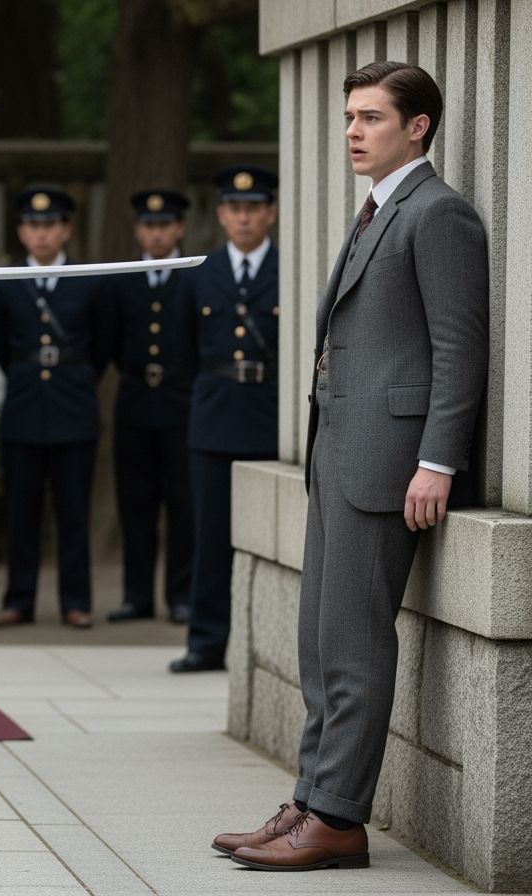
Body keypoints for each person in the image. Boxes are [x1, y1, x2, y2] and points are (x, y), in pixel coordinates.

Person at [220, 62, 488, 872]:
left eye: (371, 117)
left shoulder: (438, 214)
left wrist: (436, 461)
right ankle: (309, 798)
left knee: (356, 648)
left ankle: (337, 819)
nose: (352, 131)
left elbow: (459, 347)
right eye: (348, 117)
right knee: (321, 642)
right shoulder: (379, 209)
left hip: (392, 467)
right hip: (340, 454)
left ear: (418, 126)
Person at [169, 166, 280, 673]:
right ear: (220, 215)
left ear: (271, 213)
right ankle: (207, 642)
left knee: (274, 538)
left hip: (270, 416)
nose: (244, 218)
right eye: (235, 209)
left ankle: (271, 646)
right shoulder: (199, 272)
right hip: (214, 417)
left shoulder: (289, 267)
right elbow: (181, 351)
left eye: (254, 208)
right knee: (209, 537)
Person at [0, 184, 111, 629]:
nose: (41, 233)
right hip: (23, 409)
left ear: (66, 230)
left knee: (72, 513)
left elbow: (101, 348)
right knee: (21, 513)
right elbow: (2, 346)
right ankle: (18, 600)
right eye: (32, 224)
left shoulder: (88, 279)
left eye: (50, 224)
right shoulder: (6, 282)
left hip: (73, 409)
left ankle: (75, 601)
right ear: (21, 231)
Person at [105, 190, 196, 625]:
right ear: (138, 230)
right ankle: (136, 595)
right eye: (148, 225)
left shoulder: (192, 275)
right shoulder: (121, 279)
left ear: (179, 228)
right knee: (135, 502)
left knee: (182, 503)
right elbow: (107, 342)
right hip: (135, 398)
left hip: (181, 400)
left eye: (164, 225)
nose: (156, 233)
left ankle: (180, 595)